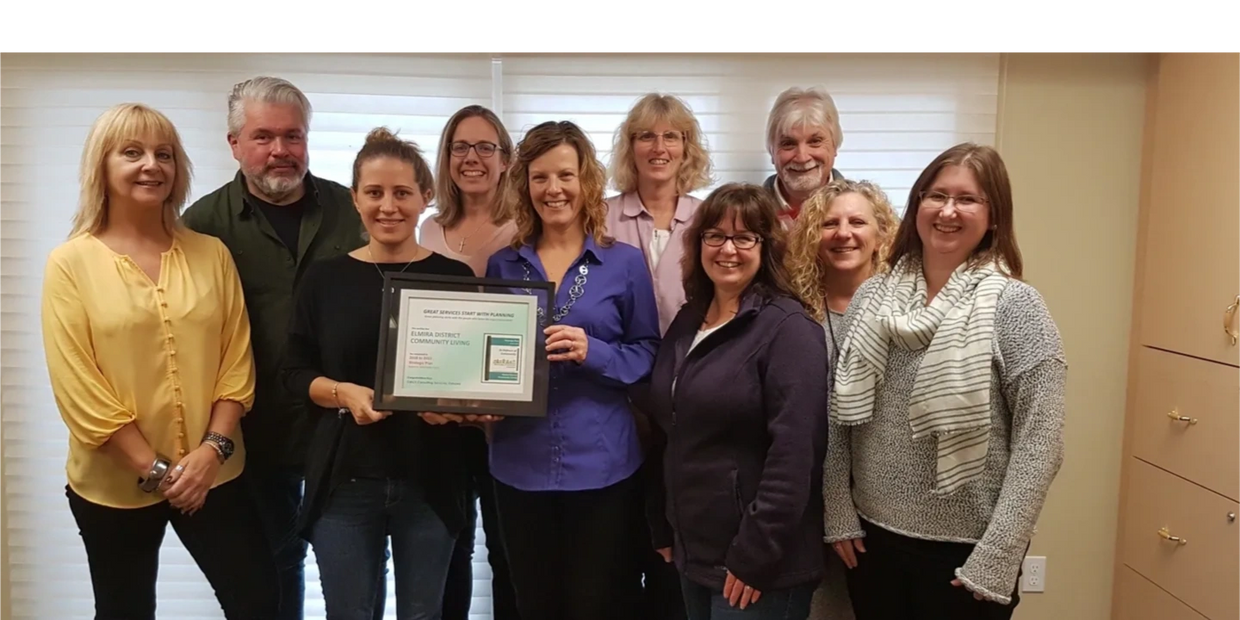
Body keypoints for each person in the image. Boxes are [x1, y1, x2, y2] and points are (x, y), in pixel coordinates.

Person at [41, 102, 278, 619]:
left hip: (214, 471)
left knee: (259, 600)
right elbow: (80, 387)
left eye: (164, 154)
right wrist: (158, 471)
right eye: (132, 152)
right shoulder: (70, 264)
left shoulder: (211, 253)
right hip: (112, 482)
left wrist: (211, 453)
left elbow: (235, 364)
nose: (152, 165)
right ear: (101, 165)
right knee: (124, 610)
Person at [824, 143, 1066, 619]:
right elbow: (838, 415)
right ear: (917, 205)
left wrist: (999, 554)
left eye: (968, 199)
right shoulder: (872, 297)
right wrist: (837, 510)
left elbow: (1041, 442)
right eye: (936, 195)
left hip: (966, 554)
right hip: (873, 543)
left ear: (993, 216)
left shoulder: (1017, 307)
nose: (948, 211)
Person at [181, 76, 366, 620]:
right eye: (264, 137)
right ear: (234, 143)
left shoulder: (353, 211)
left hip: (345, 430)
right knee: (273, 571)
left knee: (351, 570)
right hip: (253, 434)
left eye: (294, 136)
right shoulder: (202, 228)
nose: (281, 151)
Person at [280, 127, 473, 619]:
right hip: (344, 483)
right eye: (375, 192)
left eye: (403, 192)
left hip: (432, 481)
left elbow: (473, 383)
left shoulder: (456, 279)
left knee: (423, 614)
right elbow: (295, 373)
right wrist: (345, 394)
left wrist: (454, 410)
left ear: (425, 197)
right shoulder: (324, 278)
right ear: (355, 199)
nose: (389, 206)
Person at [484, 120, 661, 619]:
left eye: (565, 175)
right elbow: (487, 354)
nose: (553, 189)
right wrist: (476, 399)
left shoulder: (624, 262)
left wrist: (595, 352)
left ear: (587, 182)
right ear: (525, 185)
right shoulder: (503, 264)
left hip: (603, 466)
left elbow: (649, 353)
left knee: (599, 603)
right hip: (518, 464)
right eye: (539, 177)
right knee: (534, 603)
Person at [633, 183, 829, 620]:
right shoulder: (689, 320)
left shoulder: (789, 329)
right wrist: (661, 522)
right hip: (695, 552)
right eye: (715, 236)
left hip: (759, 565)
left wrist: (754, 554)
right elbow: (669, 426)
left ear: (767, 247)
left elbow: (796, 456)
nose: (728, 249)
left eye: (745, 237)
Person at [604, 92, 715, 620]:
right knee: (621, 543)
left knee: (677, 545)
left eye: (672, 135)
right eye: (646, 135)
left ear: (687, 147)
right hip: (616, 399)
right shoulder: (600, 218)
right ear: (630, 147)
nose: (659, 146)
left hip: (690, 402)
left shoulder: (711, 218)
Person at [419, 105, 521, 620]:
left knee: (506, 551)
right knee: (447, 549)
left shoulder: (525, 226)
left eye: (486, 147)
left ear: (506, 159)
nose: (472, 158)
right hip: (439, 420)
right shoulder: (426, 230)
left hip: (505, 424)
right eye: (460, 147)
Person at [786, 180, 898, 620]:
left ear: (881, 234)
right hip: (804, 503)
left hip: (880, 504)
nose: (843, 233)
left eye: (857, 221)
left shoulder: (904, 311)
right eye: (829, 223)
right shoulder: (793, 311)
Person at [762, 87, 845, 224]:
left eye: (815, 142)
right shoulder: (745, 215)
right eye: (788, 143)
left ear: (834, 145)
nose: (802, 157)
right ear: (771, 150)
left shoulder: (867, 212)